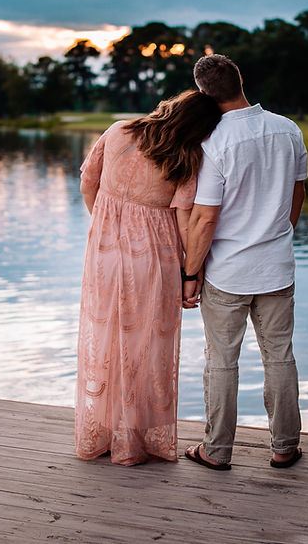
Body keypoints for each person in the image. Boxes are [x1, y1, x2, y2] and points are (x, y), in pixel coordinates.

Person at [75, 90, 222, 466]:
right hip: (156, 258)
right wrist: (192, 273)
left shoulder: (118, 130)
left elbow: (87, 184)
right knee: (146, 348)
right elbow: (184, 222)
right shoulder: (189, 157)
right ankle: (134, 439)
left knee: (106, 341)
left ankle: (104, 434)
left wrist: (107, 227)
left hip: (104, 253)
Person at [181, 54, 308, 471]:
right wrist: (276, 234)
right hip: (277, 268)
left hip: (228, 273)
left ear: (203, 93)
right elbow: (296, 195)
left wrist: (190, 272)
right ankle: (285, 447)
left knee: (221, 361)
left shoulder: (213, 142)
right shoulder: (288, 129)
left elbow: (205, 217)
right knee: (280, 357)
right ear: (241, 81)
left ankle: (216, 452)